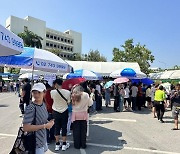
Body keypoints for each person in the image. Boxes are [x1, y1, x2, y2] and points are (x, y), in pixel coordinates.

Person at [23, 82, 54, 154]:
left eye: (39, 92)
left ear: (44, 93)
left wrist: (49, 122)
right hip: (35, 142)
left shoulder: (43, 104)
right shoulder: (31, 107)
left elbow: (41, 119)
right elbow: (26, 127)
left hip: (42, 139)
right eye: (34, 92)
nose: (36, 95)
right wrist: (45, 126)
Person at [50, 79, 71, 151]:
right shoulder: (68, 92)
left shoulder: (52, 92)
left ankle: (57, 144)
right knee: (64, 127)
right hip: (64, 111)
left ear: (55, 84)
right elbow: (68, 102)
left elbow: (53, 99)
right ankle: (64, 144)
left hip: (55, 111)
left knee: (56, 127)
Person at [71, 84, 93, 149]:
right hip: (83, 114)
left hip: (75, 114)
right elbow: (90, 103)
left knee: (76, 130)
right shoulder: (86, 94)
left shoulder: (73, 94)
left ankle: (77, 145)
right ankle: (83, 144)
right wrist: (91, 96)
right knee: (83, 130)